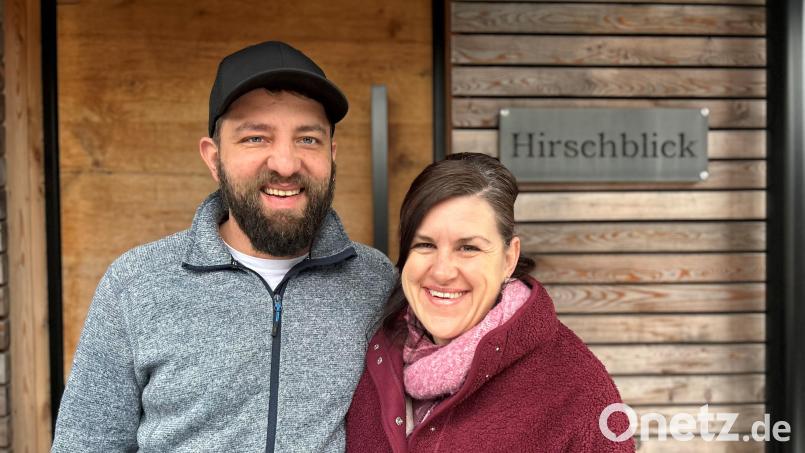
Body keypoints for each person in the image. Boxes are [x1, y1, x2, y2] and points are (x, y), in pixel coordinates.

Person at [52, 41, 396, 453]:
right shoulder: (136, 284)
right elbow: (87, 443)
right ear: (213, 158)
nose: (285, 164)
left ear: (332, 155)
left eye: (308, 139)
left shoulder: (376, 282)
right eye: (255, 138)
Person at [345, 153, 634, 452]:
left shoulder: (579, 390)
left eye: (468, 248)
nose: (442, 271)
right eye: (425, 245)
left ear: (509, 259)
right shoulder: (372, 351)